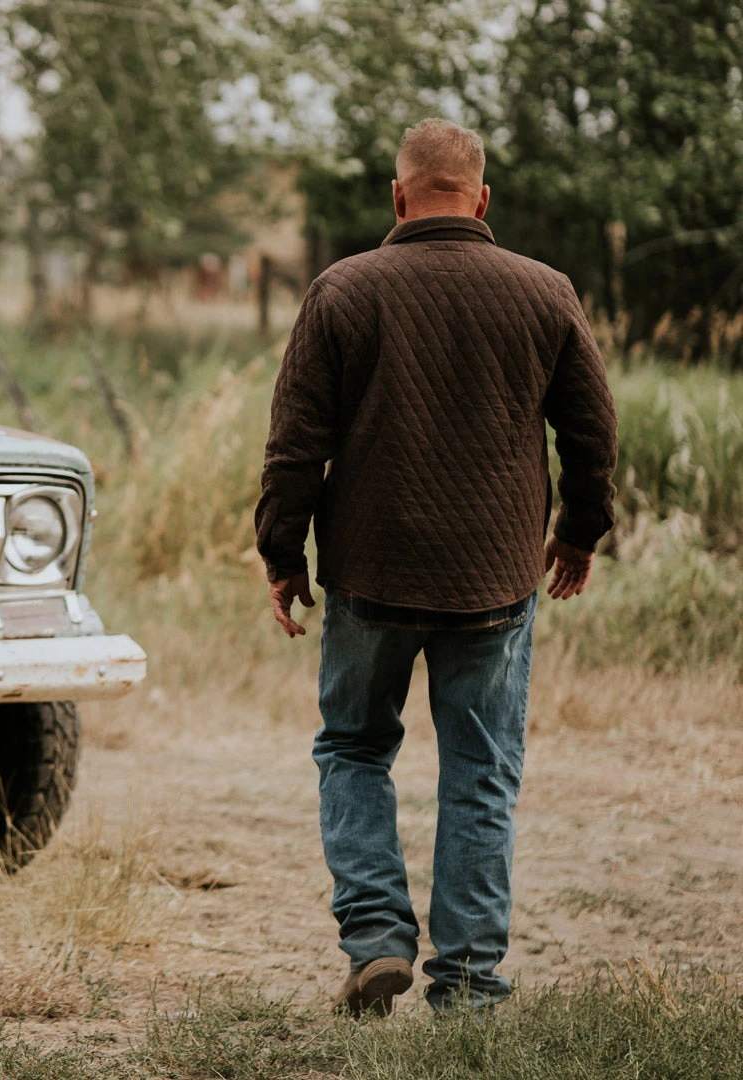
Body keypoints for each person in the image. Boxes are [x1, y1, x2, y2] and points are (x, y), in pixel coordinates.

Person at [255, 118, 617, 1016]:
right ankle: (467, 983)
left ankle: (377, 937)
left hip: (370, 577)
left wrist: (281, 551)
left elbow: (295, 447)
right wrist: (579, 532)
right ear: (483, 198)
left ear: (399, 195)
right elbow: (593, 432)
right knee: (481, 772)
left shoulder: (343, 291)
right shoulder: (545, 291)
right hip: (494, 582)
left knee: (352, 747)